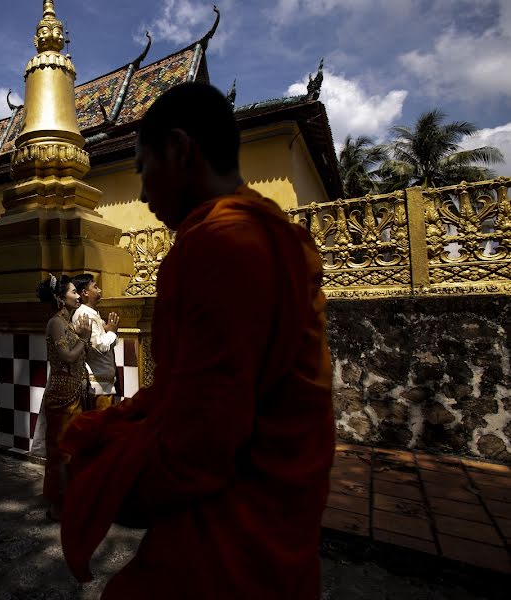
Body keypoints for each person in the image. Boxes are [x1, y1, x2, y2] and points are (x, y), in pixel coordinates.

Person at [59, 83, 335, 598]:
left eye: (143, 168)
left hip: (233, 528)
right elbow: (191, 392)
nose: (141, 194)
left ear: (182, 150)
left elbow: (203, 442)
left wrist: (103, 484)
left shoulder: (220, 242)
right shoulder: (279, 235)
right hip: (284, 517)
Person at [36, 274, 92, 521]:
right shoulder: (56, 323)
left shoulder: (66, 322)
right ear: (60, 298)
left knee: (70, 448)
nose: (78, 295)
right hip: (61, 392)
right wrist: (84, 339)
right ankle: (58, 504)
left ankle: (68, 499)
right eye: (73, 292)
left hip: (71, 390)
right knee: (61, 450)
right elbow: (68, 356)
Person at [71, 273, 120, 410]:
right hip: (97, 384)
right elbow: (98, 346)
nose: (100, 290)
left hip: (103, 382)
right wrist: (111, 331)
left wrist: (109, 331)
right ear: (85, 293)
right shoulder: (84, 315)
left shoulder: (92, 314)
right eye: (95, 286)